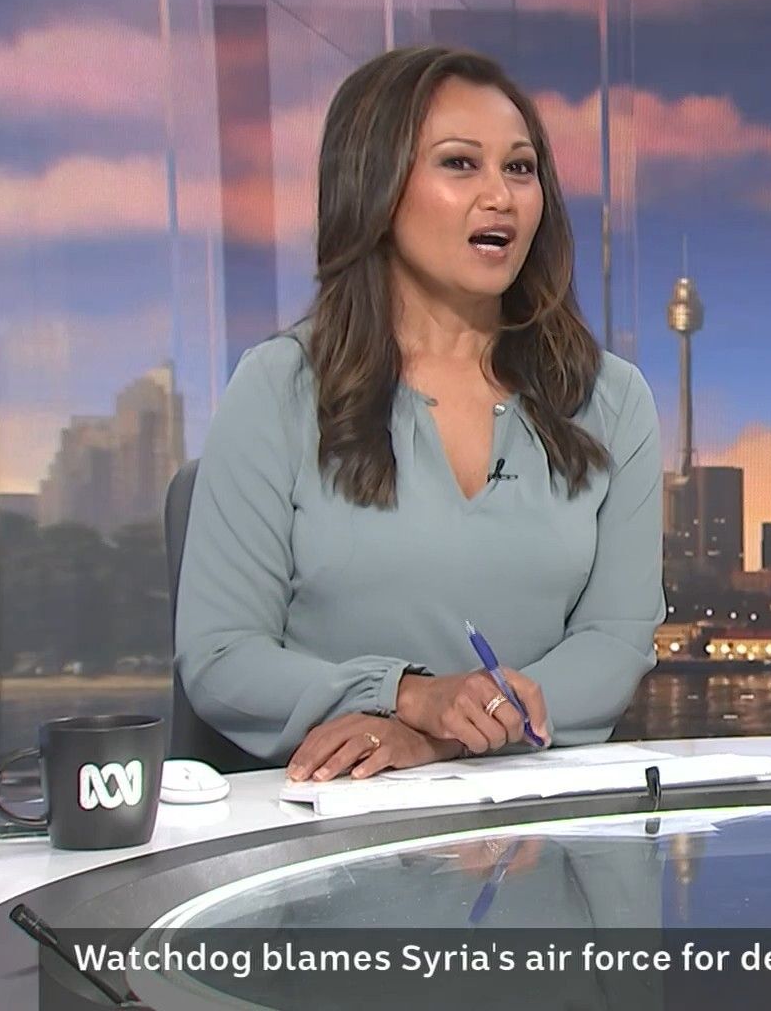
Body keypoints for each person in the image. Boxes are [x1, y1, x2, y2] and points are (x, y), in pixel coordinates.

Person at [175, 46, 665, 780]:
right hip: (331, 813)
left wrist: (450, 738)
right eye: (460, 164)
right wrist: (405, 697)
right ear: (375, 187)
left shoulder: (612, 399)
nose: (500, 196)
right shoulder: (280, 388)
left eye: (520, 168)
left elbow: (615, 643)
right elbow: (221, 656)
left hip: (534, 815)